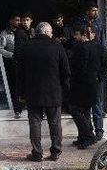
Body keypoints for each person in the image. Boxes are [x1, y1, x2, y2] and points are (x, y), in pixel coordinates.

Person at [17, 22, 70, 162]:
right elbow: (66, 71)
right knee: (55, 123)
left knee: (35, 123)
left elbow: (19, 72)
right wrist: (64, 89)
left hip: (32, 92)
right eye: (51, 32)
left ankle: (37, 153)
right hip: (53, 92)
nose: (52, 34)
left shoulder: (26, 47)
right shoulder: (57, 46)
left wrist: (21, 92)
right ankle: (56, 152)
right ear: (46, 32)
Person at [68, 27, 107, 149]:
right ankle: (83, 138)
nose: (75, 38)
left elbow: (76, 67)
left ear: (84, 35)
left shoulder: (80, 48)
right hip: (93, 85)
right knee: (85, 111)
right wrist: (98, 78)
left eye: (77, 34)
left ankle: (88, 136)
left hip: (81, 85)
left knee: (76, 110)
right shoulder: (100, 48)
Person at [76, 2, 106, 139]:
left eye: (96, 10)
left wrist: (99, 76)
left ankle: (99, 131)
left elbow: (106, 65)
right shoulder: (81, 22)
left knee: (97, 105)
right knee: (86, 107)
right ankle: (88, 132)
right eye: (93, 10)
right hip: (85, 78)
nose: (95, 13)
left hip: (96, 77)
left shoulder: (99, 23)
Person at [0, 14, 22, 118]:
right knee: (14, 87)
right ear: (11, 21)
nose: (19, 22)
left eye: (20, 20)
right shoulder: (5, 33)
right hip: (12, 64)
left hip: (23, 64)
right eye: (16, 20)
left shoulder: (23, 32)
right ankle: (15, 108)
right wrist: (12, 55)